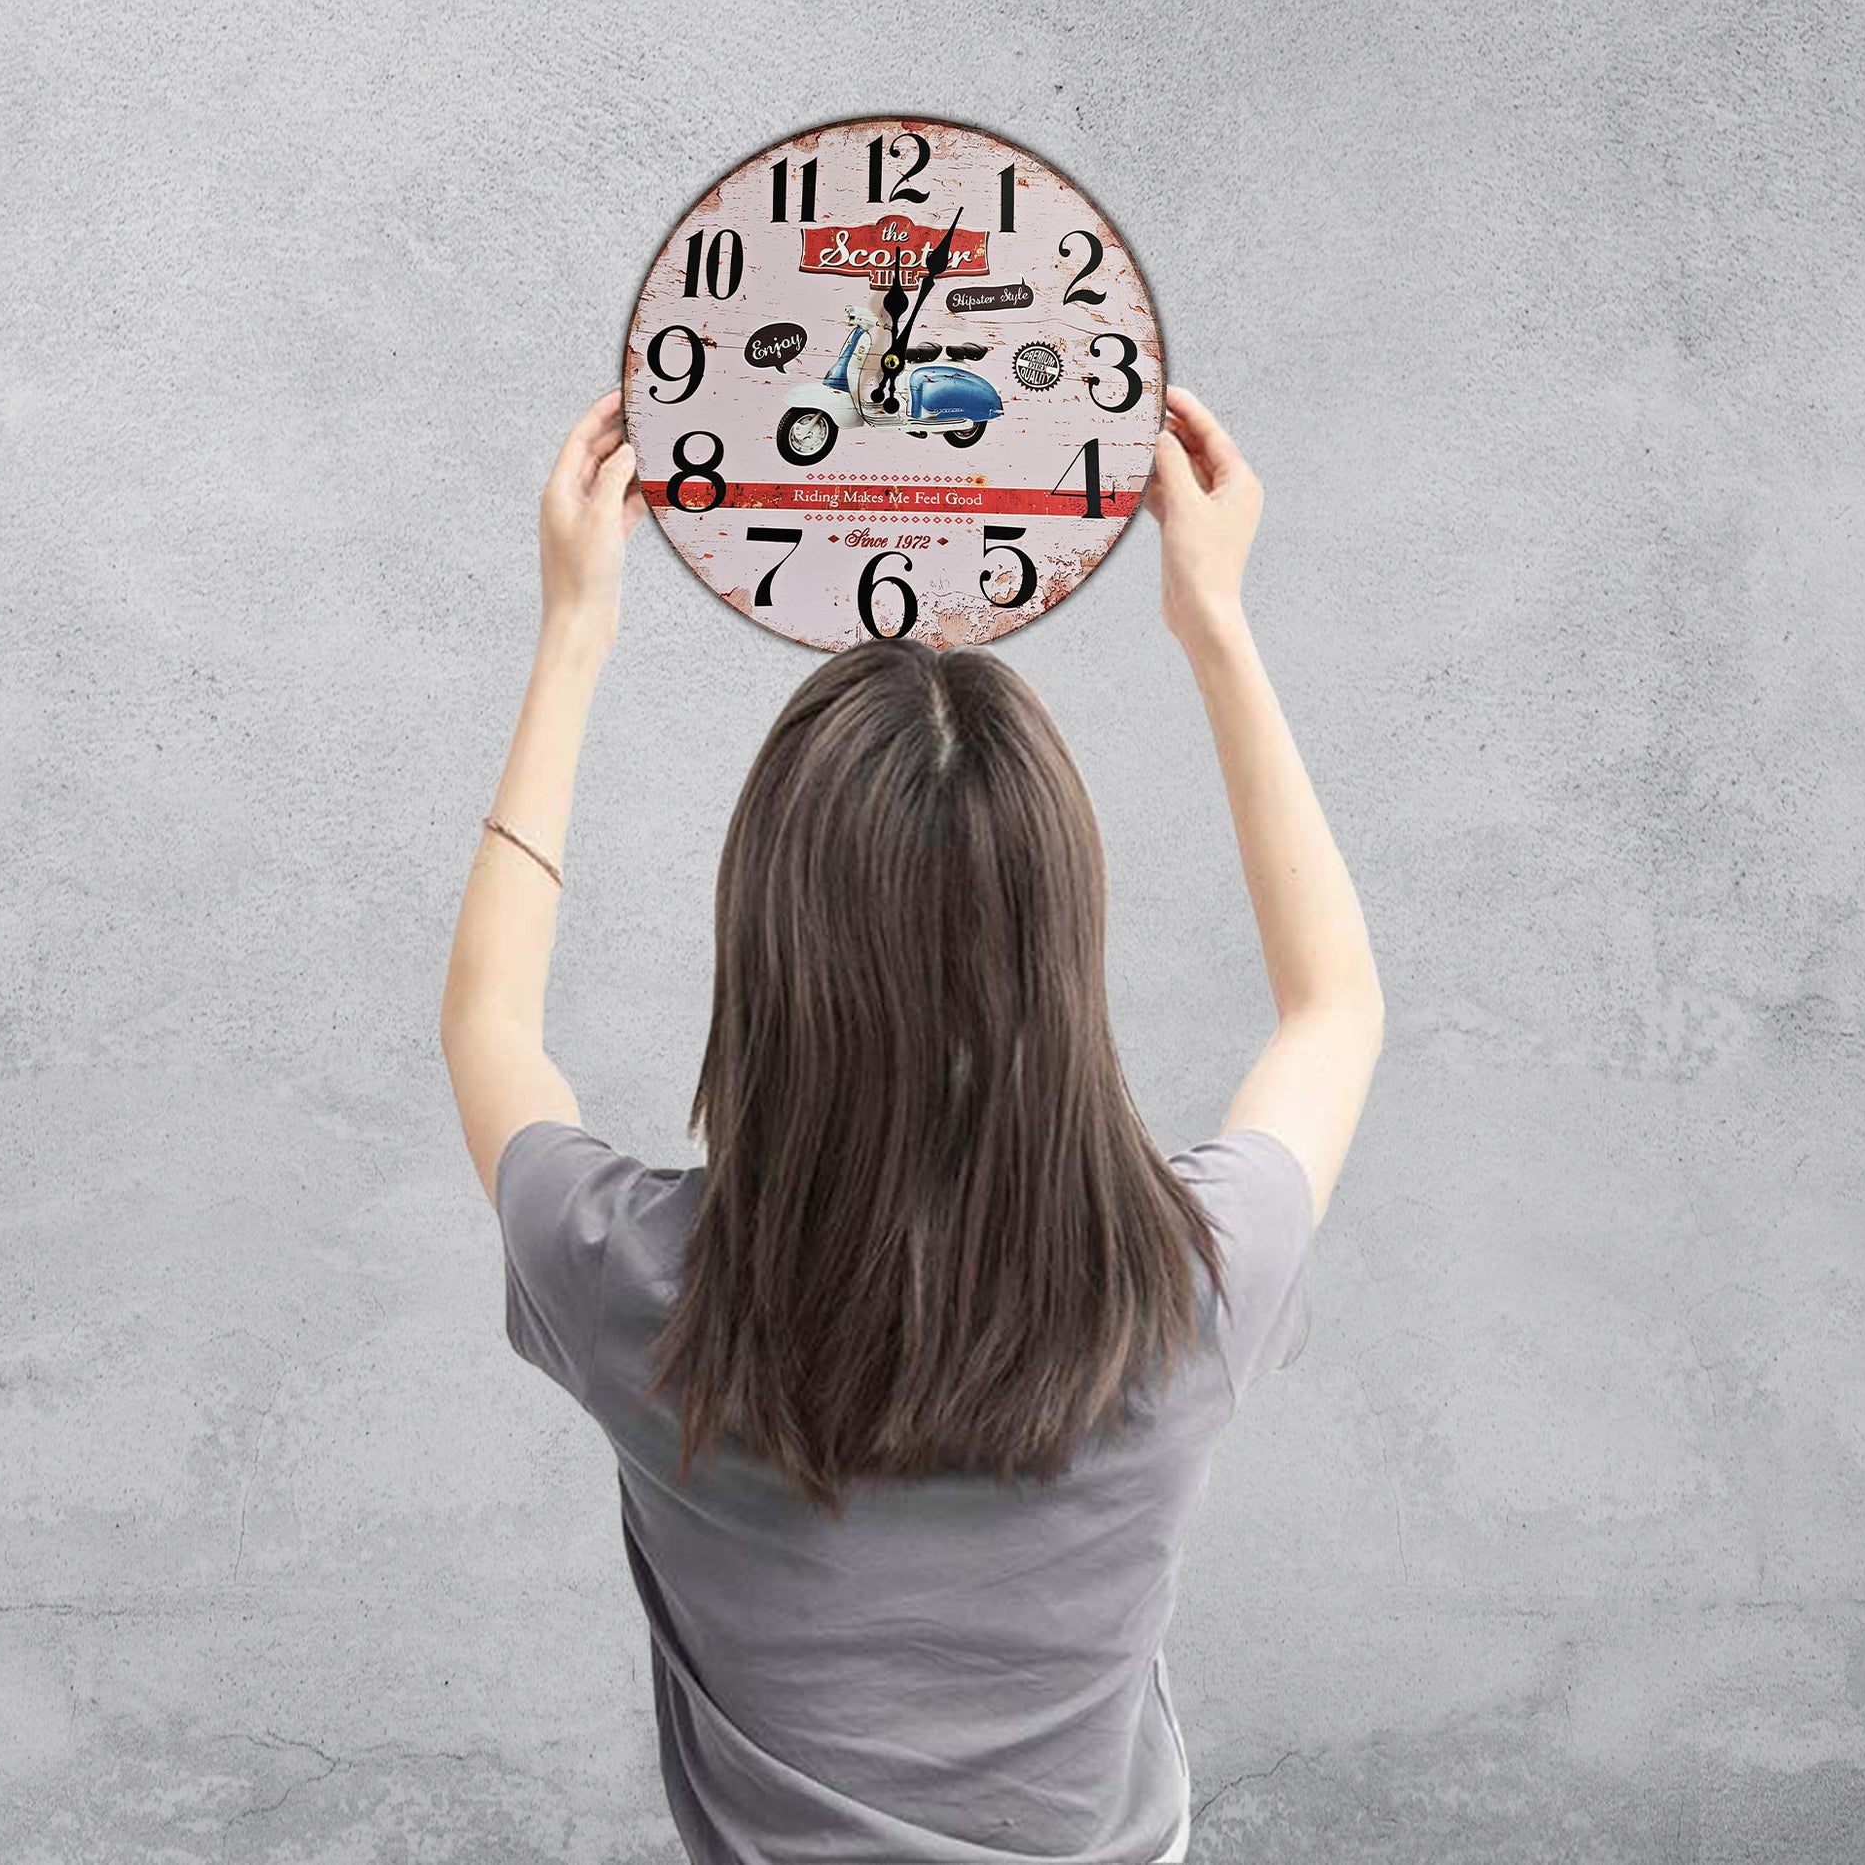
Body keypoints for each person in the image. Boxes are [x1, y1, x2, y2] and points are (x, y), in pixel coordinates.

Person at [439, 386, 1384, 1864]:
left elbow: (488, 1027)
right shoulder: (1191, 1288)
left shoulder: (635, 1289)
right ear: (1059, 951)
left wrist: (575, 630)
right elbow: (1333, 1006)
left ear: (765, 950)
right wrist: (1213, 620)